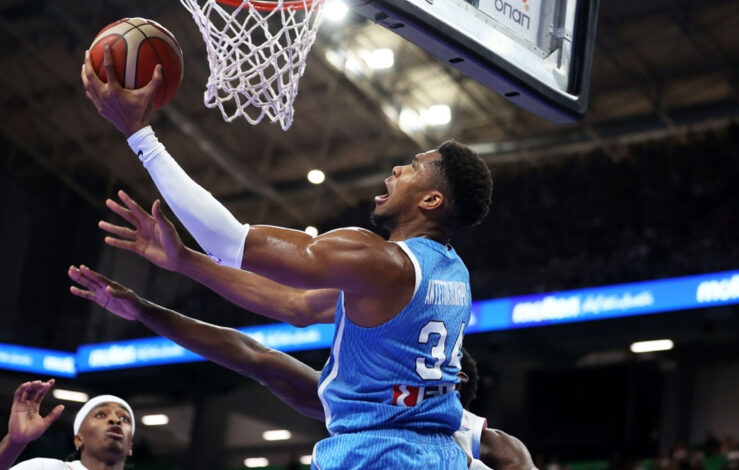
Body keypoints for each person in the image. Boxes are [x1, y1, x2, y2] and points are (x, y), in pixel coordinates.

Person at [82, 42, 493, 470]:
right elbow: (294, 304)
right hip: (438, 457)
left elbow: (230, 241)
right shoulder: (451, 275)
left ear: (431, 200)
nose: (398, 169)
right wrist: (184, 260)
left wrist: (140, 135)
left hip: (376, 456)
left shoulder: (381, 261)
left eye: (414, 167)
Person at [68, 264, 534, 470]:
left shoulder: (478, 439)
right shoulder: (364, 405)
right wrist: (145, 309)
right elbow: (254, 357)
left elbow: (257, 357)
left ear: (450, 376)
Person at [0, 380, 134, 470]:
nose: (115, 420)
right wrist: (14, 443)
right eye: (100, 414)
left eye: (124, 418)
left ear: (130, 446)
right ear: (79, 439)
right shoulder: (44, 467)